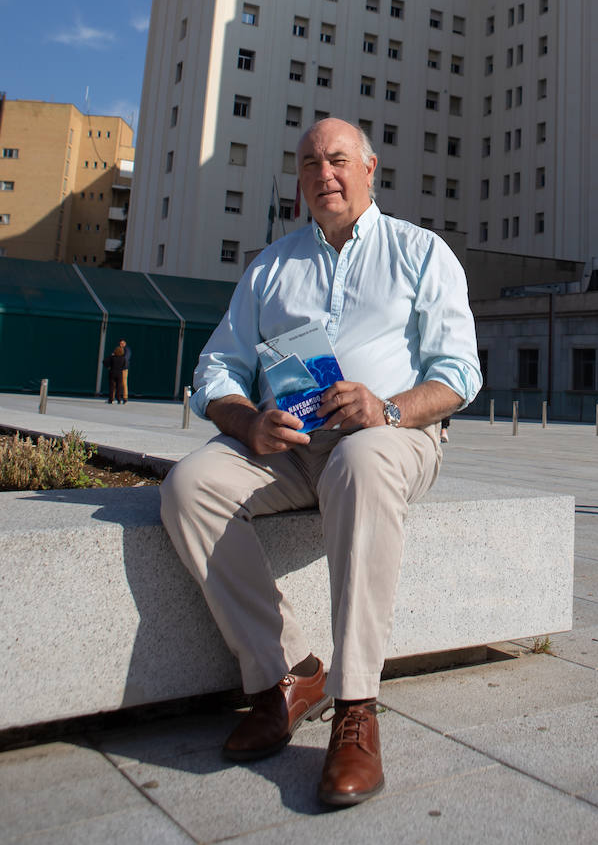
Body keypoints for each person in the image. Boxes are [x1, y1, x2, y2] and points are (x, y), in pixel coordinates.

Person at [160, 117, 481, 807]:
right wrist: (247, 420)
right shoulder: (271, 266)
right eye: (309, 164)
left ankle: (356, 706)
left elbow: (459, 374)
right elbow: (216, 366)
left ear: (371, 169)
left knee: (361, 464)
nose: (323, 174)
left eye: (337, 160)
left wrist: (387, 407)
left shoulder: (422, 253)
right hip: (292, 446)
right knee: (189, 486)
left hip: (394, 435)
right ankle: (288, 672)